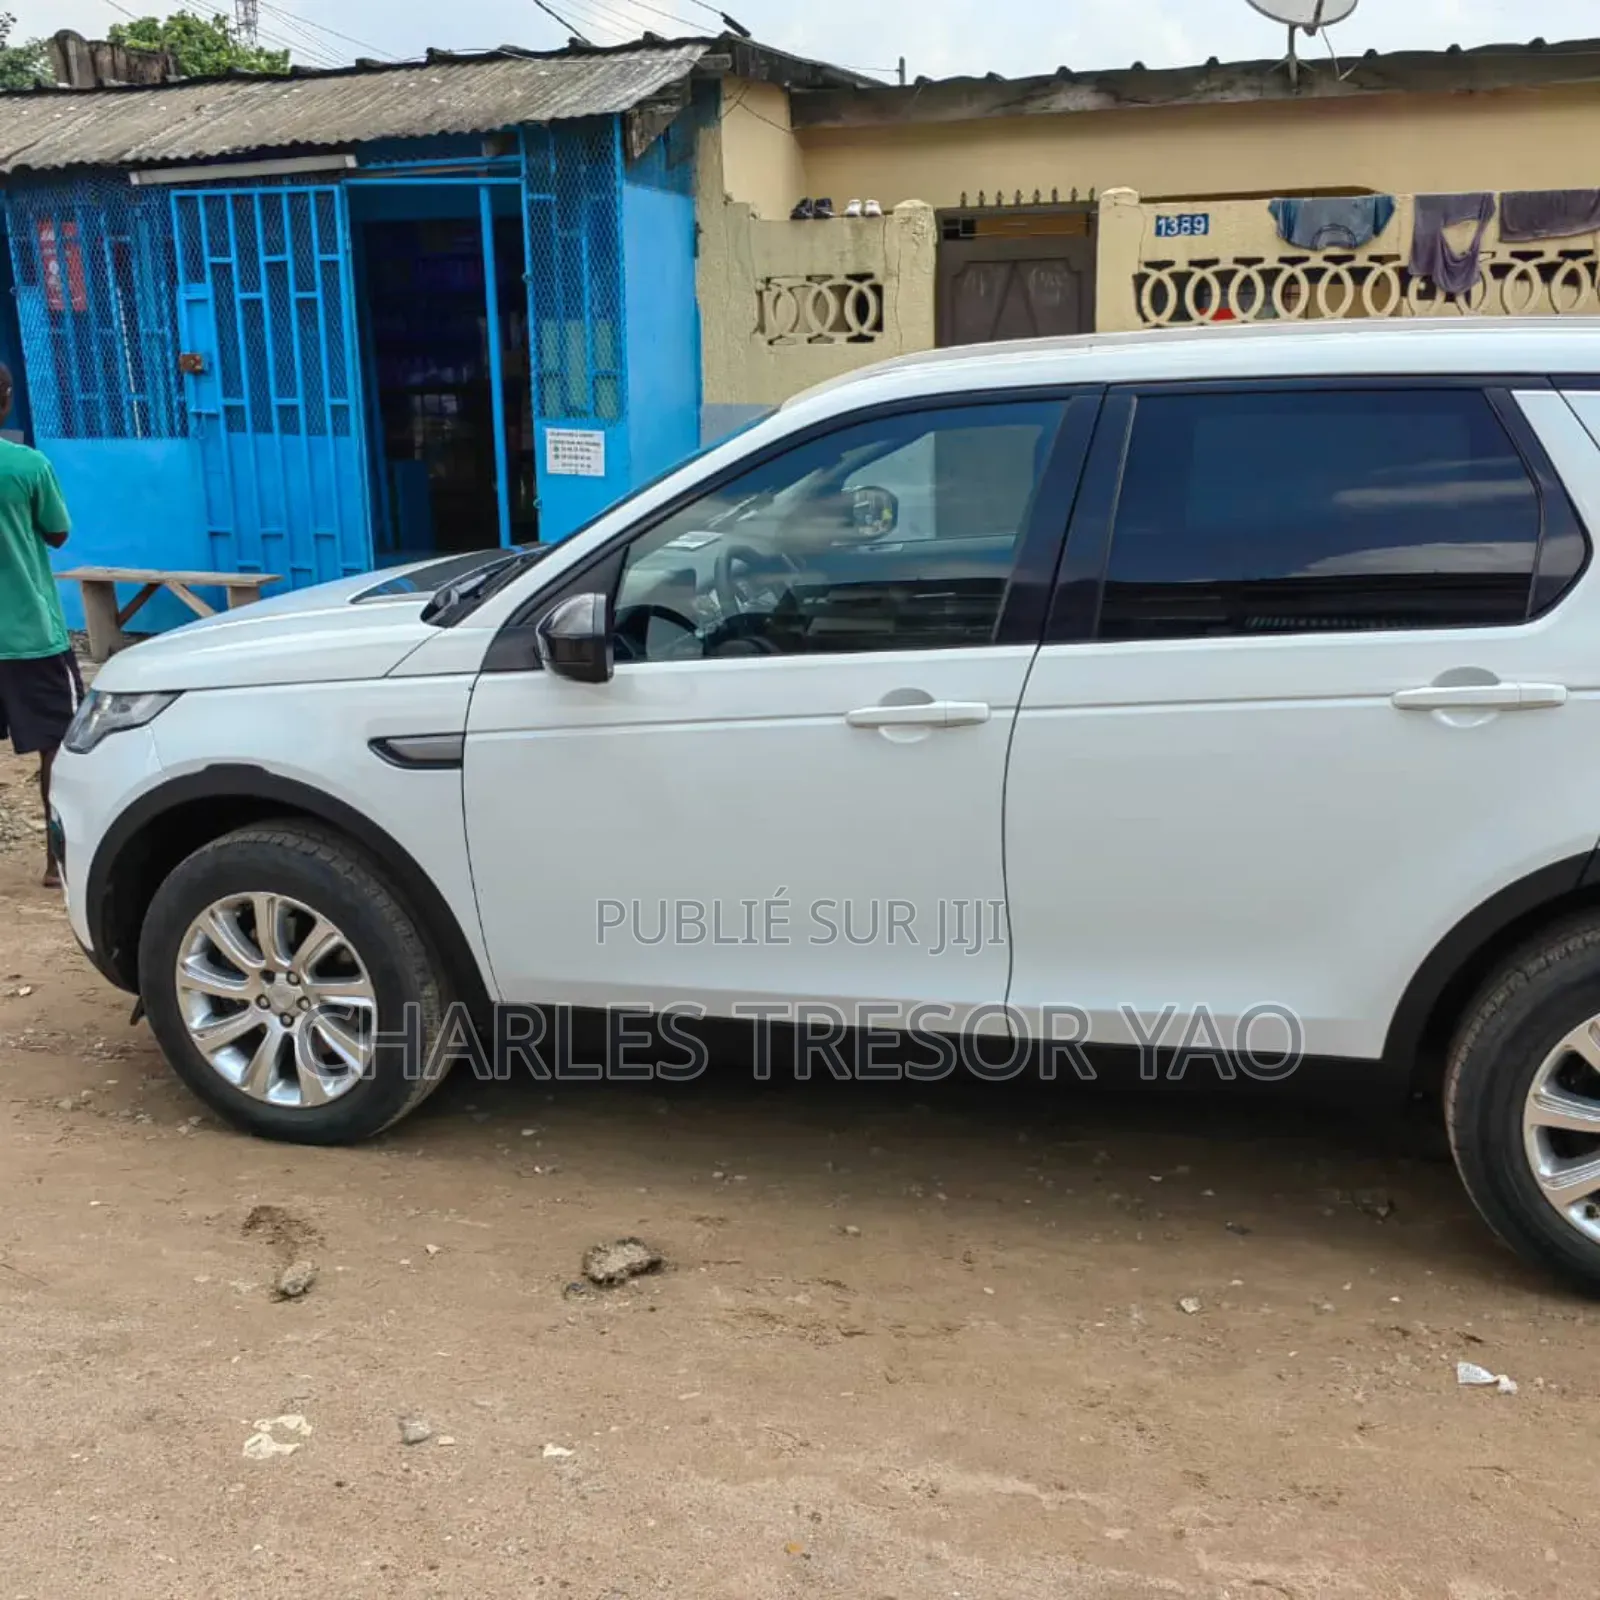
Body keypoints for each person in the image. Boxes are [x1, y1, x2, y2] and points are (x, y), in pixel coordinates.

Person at [0, 363, 77, 886]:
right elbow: (57, 533)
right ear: (6, 400)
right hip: (28, 636)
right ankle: (56, 862)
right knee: (59, 745)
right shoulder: (26, 465)